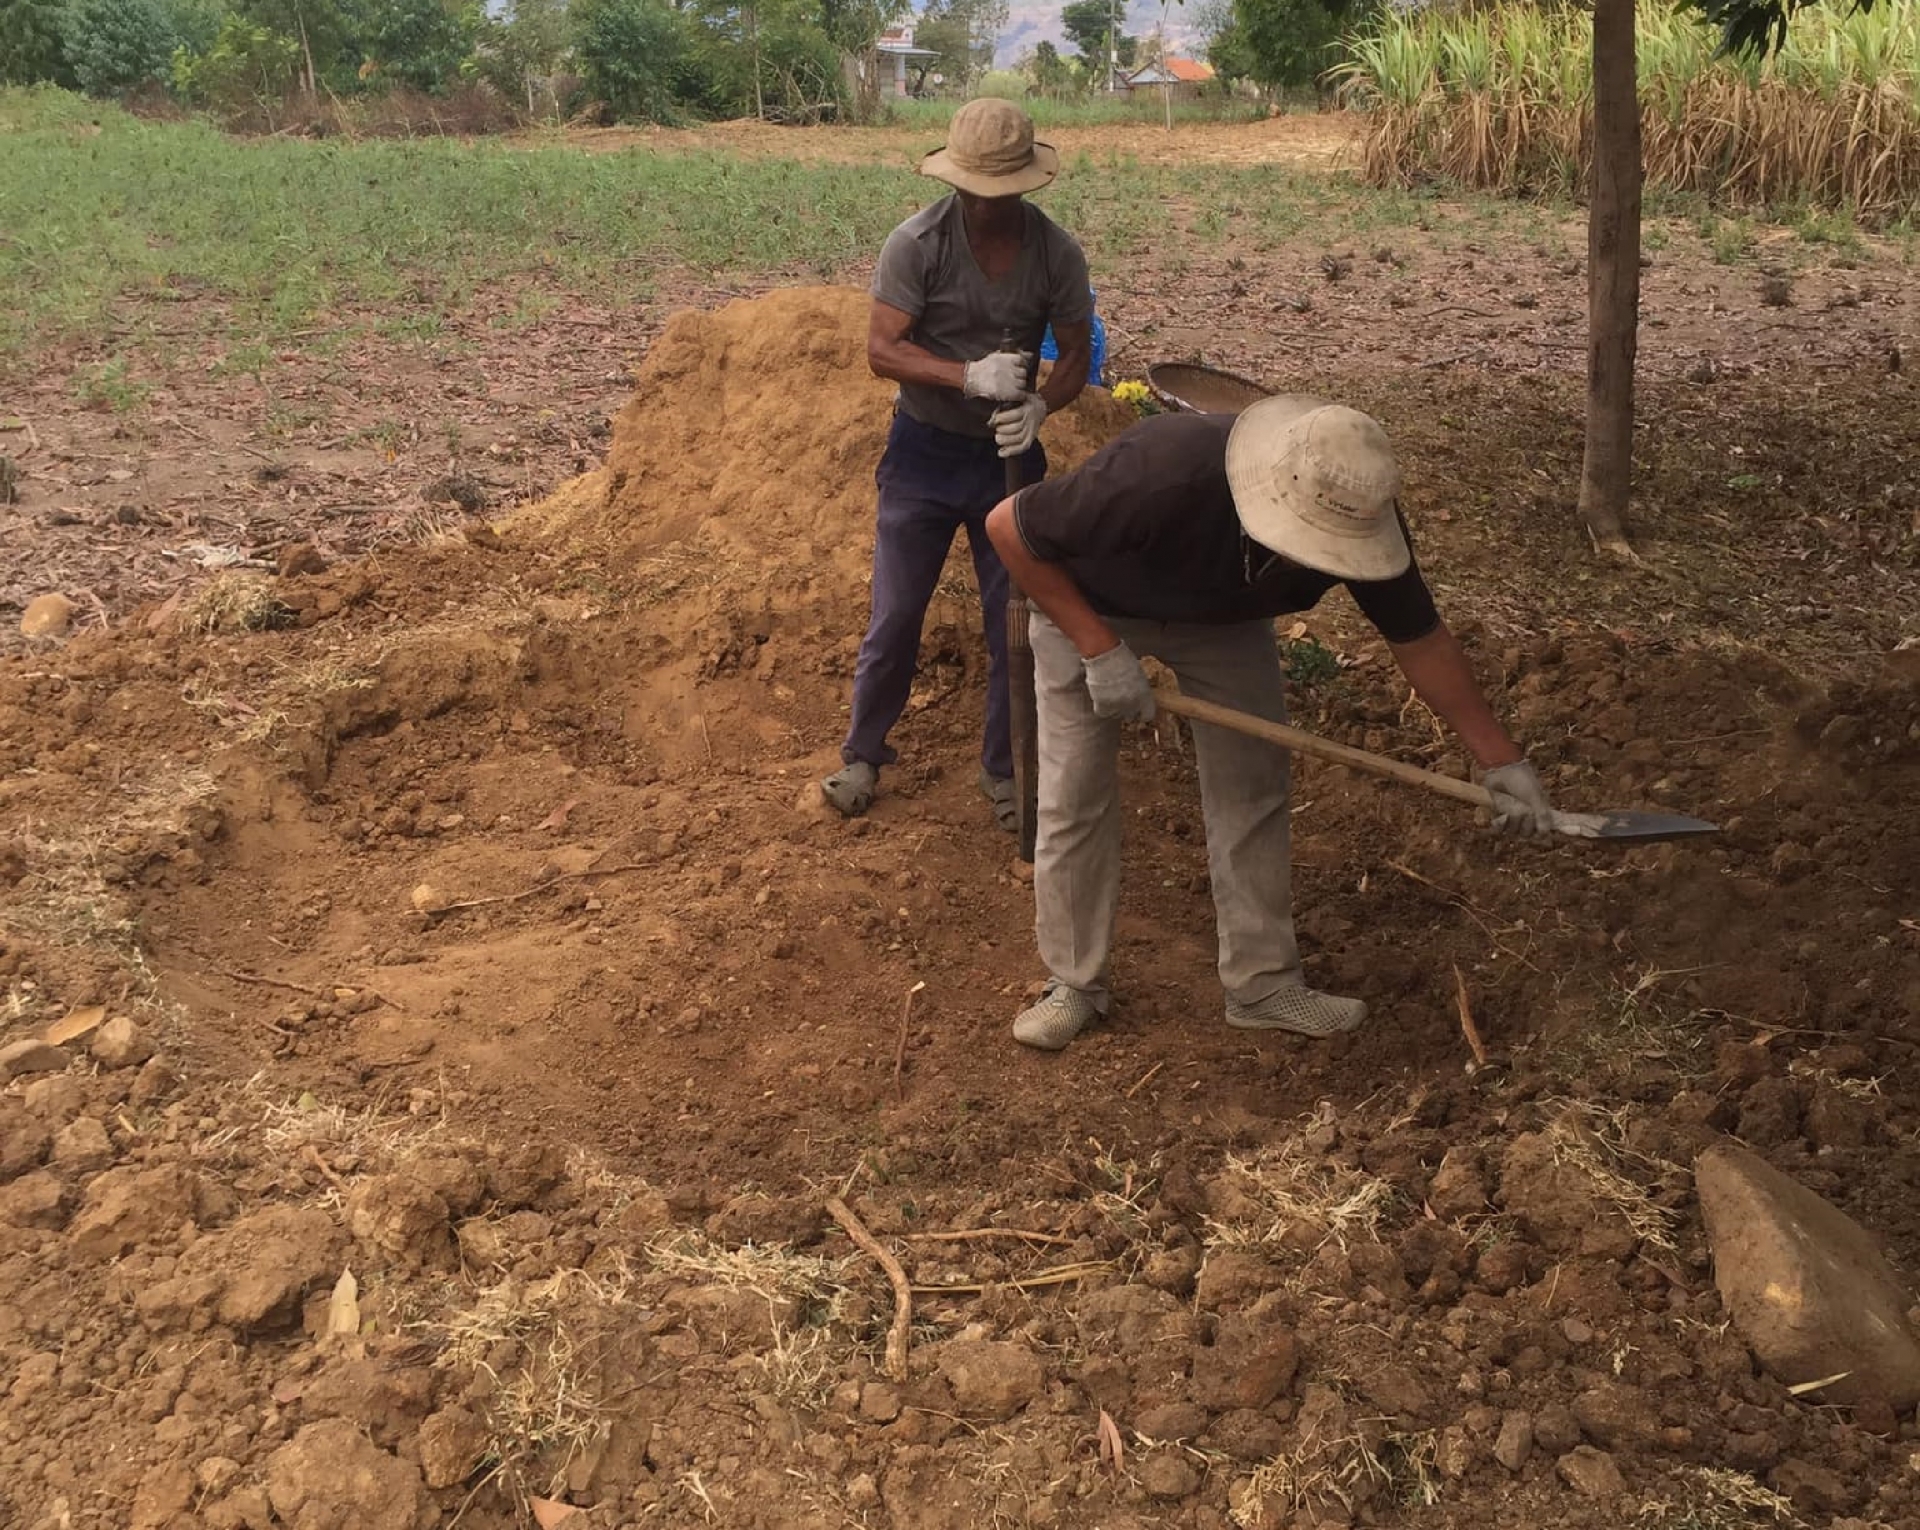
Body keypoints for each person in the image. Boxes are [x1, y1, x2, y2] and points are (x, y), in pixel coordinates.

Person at [983, 396, 1564, 1051]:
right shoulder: (1162, 471)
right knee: (1074, 791)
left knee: (1252, 786)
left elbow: (1422, 641)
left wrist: (1501, 760)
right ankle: (1073, 984)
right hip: (1088, 605)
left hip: (1226, 622)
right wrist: (1098, 648)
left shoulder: (1357, 504)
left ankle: (1262, 986)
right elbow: (1010, 528)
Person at [821, 98, 1093, 833]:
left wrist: (1042, 406)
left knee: (1016, 618)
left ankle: (1004, 768)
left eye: (1004, 191)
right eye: (978, 189)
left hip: (1008, 460)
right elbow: (883, 351)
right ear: (957, 180)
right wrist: (967, 376)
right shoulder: (916, 244)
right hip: (923, 452)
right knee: (897, 612)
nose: (990, 204)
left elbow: (1075, 354)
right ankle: (864, 753)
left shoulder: (1055, 254)